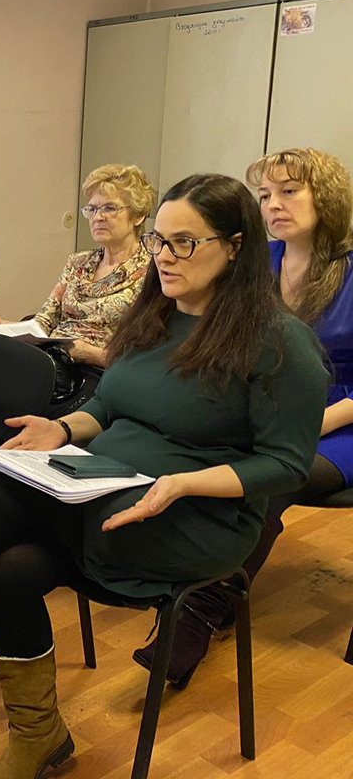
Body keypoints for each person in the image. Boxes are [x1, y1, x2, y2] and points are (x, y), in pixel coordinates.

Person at [0, 174, 328, 778]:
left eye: (184, 242)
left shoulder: (281, 344)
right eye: (160, 240)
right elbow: (110, 404)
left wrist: (184, 483)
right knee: (12, 566)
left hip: (195, 519)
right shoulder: (155, 313)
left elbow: (286, 466)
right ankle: (39, 737)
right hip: (106, 490)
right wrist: (63, 428)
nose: (164, 256)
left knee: (14, 492)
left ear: (236, 246)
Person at [132, 147, 353, 686]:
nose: (273, 205)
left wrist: (311, 423)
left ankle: (198, 613)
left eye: (289, 191)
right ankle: (185, 573)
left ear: (326, 197)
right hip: (266, 404)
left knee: (269, 478)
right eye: (265, 195)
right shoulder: (259, 262)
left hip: (340, 420)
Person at [0, 164, 154, 430]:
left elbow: (147, 356)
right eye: (92, 209)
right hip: (52, 360)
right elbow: (44, 321)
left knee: (24, 411)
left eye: (109, 208)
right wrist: (6, 326)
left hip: (100, 372)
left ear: (138, 216)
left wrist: (89, 354)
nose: (98, 217)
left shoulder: (151, 273)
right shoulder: (78, 262)